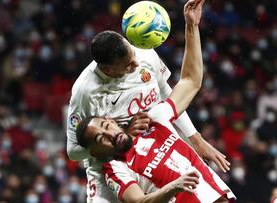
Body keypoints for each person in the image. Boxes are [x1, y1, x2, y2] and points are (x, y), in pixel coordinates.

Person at [66, 1, 229, 202]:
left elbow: (174, 90)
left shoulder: (144, 52)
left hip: (155, 143)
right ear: (108, 70)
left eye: (133, 56)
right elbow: (74, 151)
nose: (135, 64)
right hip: (111, 164)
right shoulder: (85, 91)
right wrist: (122, 135)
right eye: (127, 66)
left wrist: (195, 139)